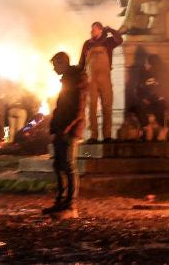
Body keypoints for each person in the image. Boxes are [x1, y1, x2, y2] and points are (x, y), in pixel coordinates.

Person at [46, 51, 88, 216]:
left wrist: (67, 128)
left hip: (69, 130)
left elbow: (78, 109)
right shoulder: (68, 80)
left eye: (55, 65)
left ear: (62, 63)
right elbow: (62, 106)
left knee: (69, 166)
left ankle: (70, 203)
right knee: (58, 165)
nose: (54, 69)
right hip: (61, 128)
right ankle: (61, 200)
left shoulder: (76, 80)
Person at [78, 21, 123, 143]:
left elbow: (120, 40)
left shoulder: (108, 42)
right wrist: (79, 76)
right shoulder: (87, 44)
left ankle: (107, 135)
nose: (92, 32)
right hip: (91, 80)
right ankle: (93, 135)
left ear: (100, 30)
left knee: (107, 107)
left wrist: (111, 30)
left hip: (105, 79)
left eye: (94, 29)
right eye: (91, 29)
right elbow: (81, 63)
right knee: (91, 108)